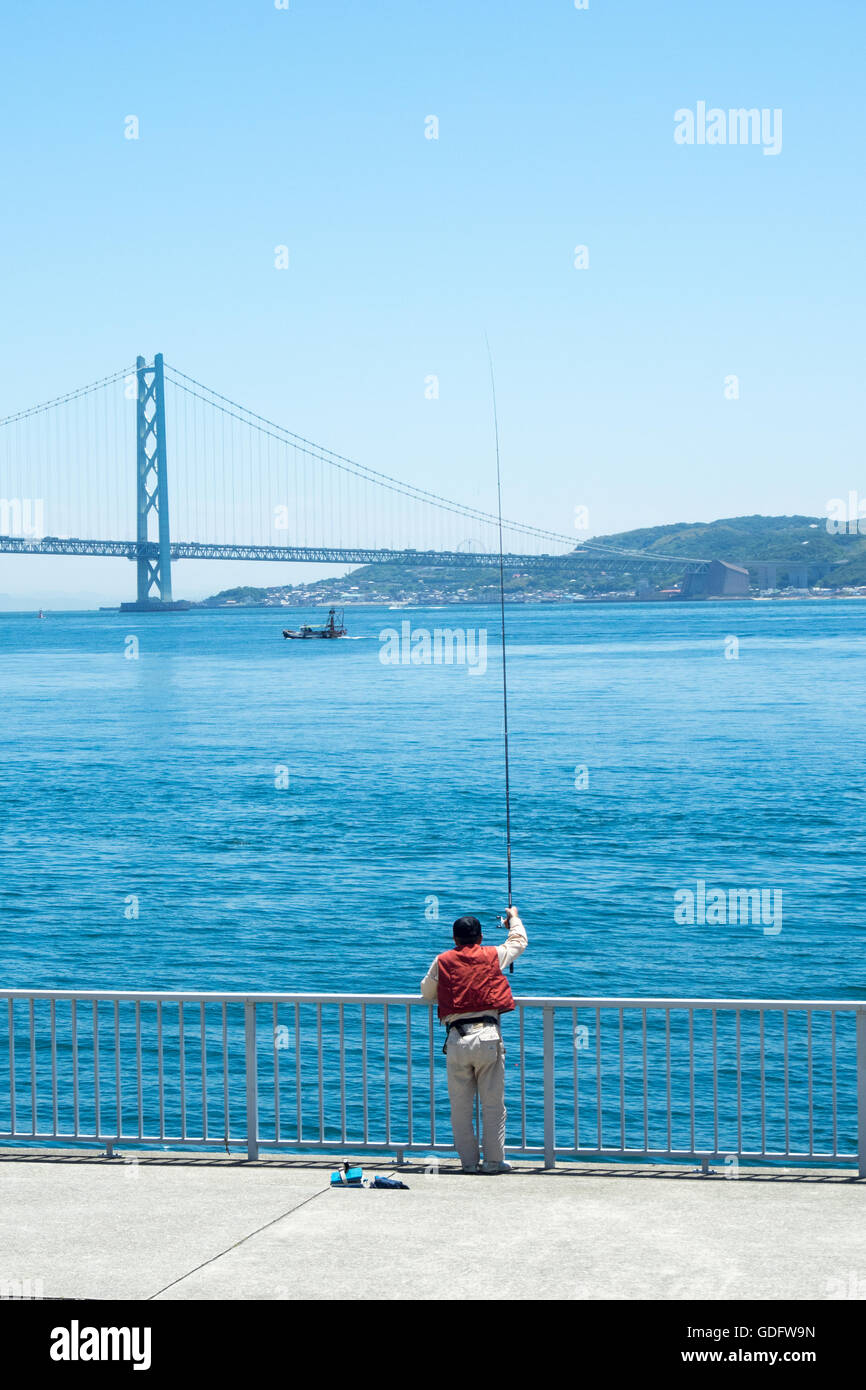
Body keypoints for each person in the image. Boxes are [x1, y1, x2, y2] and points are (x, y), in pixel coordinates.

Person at [420, 905, 527, 1174]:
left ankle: (468, 1163)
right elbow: (519, 942)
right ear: (480, 937)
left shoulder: (442, 960)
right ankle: (493, 1163)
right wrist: (513, 919)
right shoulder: (493, 955)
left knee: (460, 1107)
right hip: (488, 1037)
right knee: (493, 1106)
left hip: (457, 1039)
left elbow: (426, 992)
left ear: (454, 939)